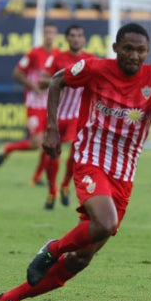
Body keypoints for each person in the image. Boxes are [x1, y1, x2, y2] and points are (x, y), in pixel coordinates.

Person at [0, 22, 151, 301]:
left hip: (123, 174)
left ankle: (7, 300)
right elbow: (55, 81)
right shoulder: (95, 69)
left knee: (81, 259)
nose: (134, 55)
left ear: (147, 52)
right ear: (116, 47)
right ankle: (52, 249)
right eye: (128, 48)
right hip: (90, 159)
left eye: (140, 50)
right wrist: (52, 129)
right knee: (105, 223)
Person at [0, 23, 59, 187]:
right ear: (43, 35)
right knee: (36, 143)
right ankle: (8, 148)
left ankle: (36, 177)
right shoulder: (34, 53)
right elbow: (17, 73)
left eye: (53, 32)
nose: (50, 35)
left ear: (57, 36)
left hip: (50, 105)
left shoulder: (58, 55)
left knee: (50, 143)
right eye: (47, 32)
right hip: (34, 104)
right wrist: (33, 87)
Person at [39, 24, 96, 209]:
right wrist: (63, 80)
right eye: (73, 35)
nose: (76, 39)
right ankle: (51, 191)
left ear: (84, 39)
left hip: (78, 116)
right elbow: (42, 81)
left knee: (75, 150)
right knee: (51, 156)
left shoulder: (91, 60)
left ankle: (65, 185)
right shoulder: (57, 58)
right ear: (67, 39)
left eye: (80, 35)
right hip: (56, 115)